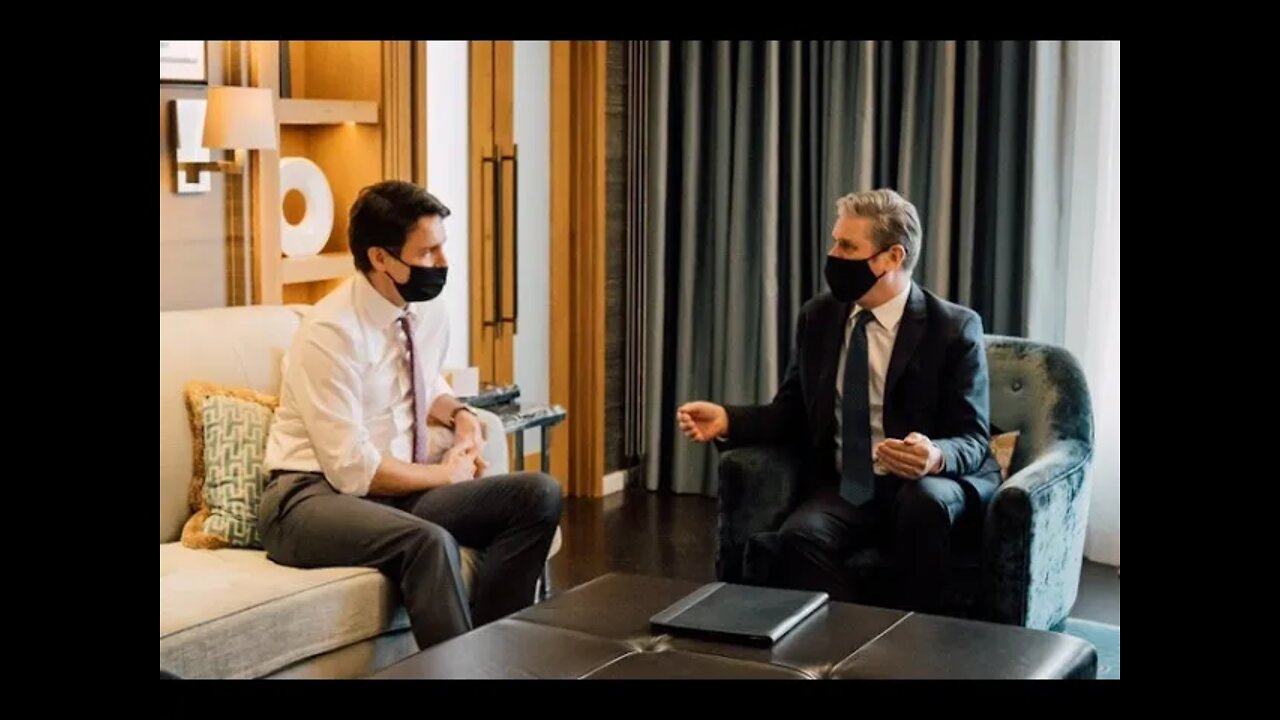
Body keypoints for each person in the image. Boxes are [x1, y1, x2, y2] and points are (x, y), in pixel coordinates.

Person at [260, 180, 563, 648]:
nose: (443, 263)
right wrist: (445, 476)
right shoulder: (331, 333)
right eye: (428, 252)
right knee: (427, 543)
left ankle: (494, 654)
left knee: (538, 495)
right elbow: (352, 469)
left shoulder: (424, 309)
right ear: (380, 258)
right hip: (307, 499)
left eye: (442, 247)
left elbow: (425, 385)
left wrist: (461, 415)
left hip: (391, 493)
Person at [678, 189, 1000, 613]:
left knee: (923, 506)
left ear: (892, 257)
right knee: (798, 539)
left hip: (928, 483)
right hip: (853, 484)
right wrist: (728, 420)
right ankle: (863, 642)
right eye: (835, 241)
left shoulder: (953, 327)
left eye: (847, 246)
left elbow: (974, 438)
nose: (832, 254)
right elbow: (791, 411)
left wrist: (933, 454)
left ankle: (921, 646)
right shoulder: (820, 316)